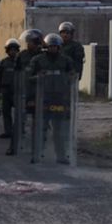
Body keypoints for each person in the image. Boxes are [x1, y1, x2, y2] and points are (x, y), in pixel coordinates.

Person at [28, 32, 76, 164]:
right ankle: (37, 154)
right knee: (40, 128)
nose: (52, 49)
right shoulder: (37, 60)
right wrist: (38, 77)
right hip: (43, 97)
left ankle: (61, 156)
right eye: (50, 46)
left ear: (59, 47)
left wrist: (70, 78)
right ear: (46, 47)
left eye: (55, 46)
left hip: (60, 98)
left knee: (59, 129)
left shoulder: (66, 60)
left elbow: (72, 76)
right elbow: (28, 77)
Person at [0, 38, 20, 139]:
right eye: (11, 50)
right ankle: (8, 131)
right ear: (7, 51)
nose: (12, 52)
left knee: (19, 112)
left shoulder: (20, 62)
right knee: (6, 112)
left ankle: (18, 131)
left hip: (17, 90)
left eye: (14, 50)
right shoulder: (3, 62)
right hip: (5, 90)